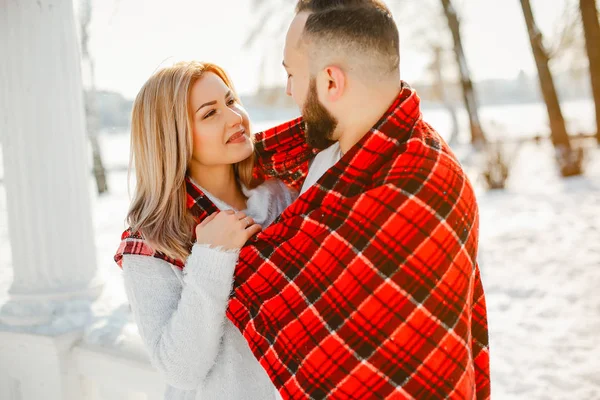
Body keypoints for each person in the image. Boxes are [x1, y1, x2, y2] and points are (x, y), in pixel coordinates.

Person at [196, 1, 491, 398]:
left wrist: (214, 257)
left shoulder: (422, 184)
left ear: (331, 82)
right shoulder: (322, 159)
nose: (288, 90)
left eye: (292, 74)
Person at [114, 61, 315, 399]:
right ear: (173, 137)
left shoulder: (287, 196)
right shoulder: (152, 242)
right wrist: (211, 257)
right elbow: (180, 370)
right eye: (210, 114)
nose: (235, 118)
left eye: (231, 101)